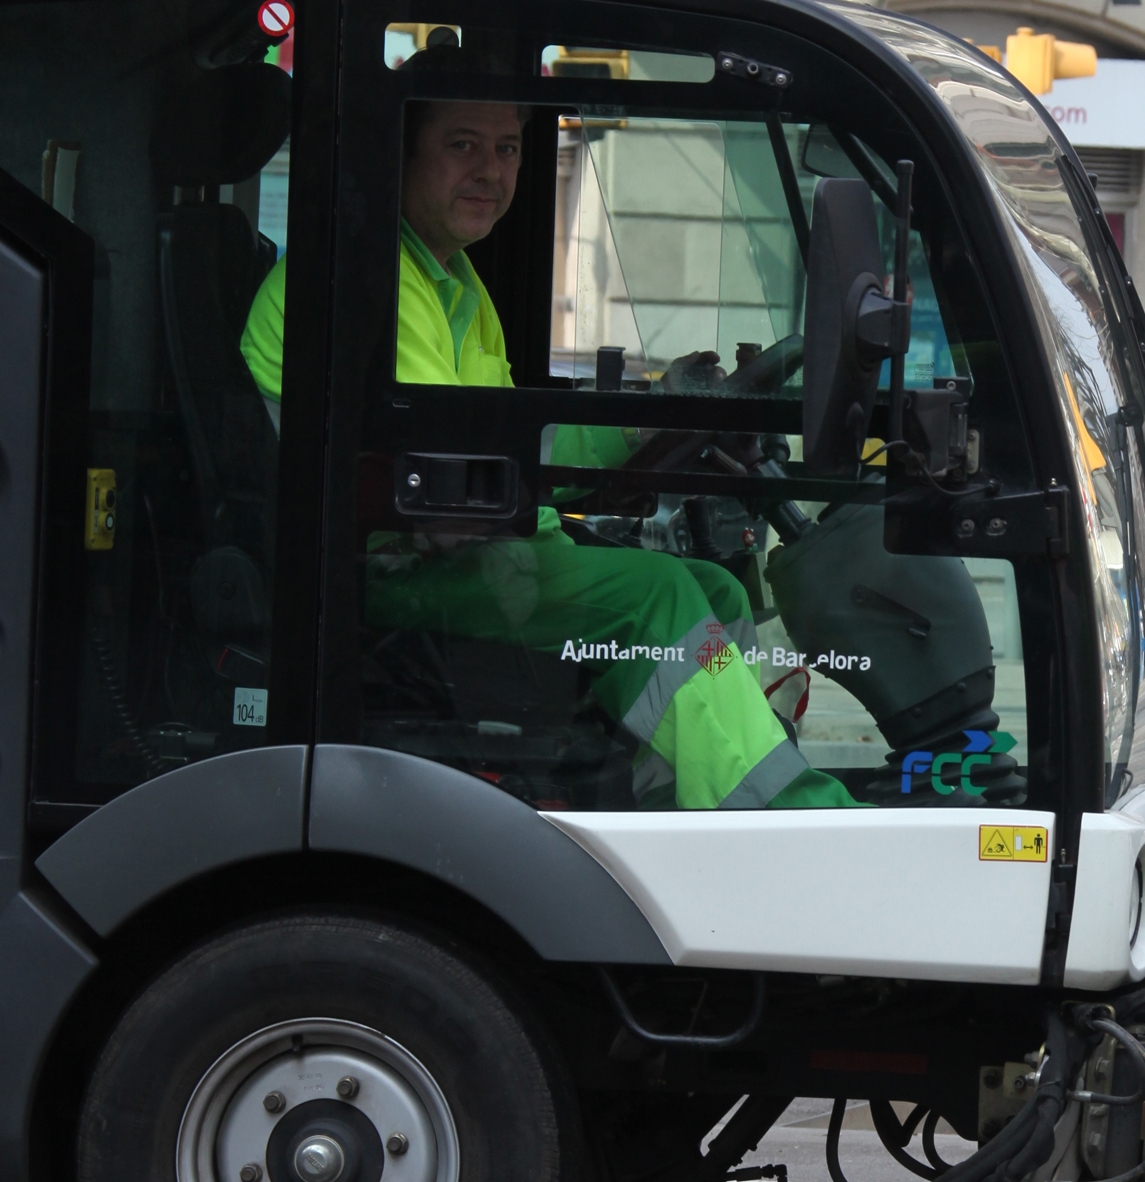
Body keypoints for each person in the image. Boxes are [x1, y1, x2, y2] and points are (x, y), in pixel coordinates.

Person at [240, 92, 852, 811]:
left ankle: (686, 800)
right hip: (383, 563)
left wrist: (645, 420)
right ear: (398, 155)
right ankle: (786, 815)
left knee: (712, 589)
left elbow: (514, 444)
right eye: (462, 145)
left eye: (506, 149)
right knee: (662, 597)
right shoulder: (371, 280)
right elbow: (451, 474)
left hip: (450, 546)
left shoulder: (450, 280)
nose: (490, 172)